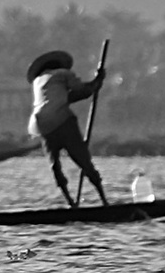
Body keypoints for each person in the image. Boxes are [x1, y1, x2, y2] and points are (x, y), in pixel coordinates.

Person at [26, 51, 108, 207]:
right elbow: (82, 90)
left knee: (55, 165)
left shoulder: (38, 81)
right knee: (84, 160)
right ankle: (104, 201)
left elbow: (66, 98)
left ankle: (71, 203)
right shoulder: (63, 73)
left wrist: (97, 82)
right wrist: (98, 80)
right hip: (62, 122)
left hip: (41, 126)